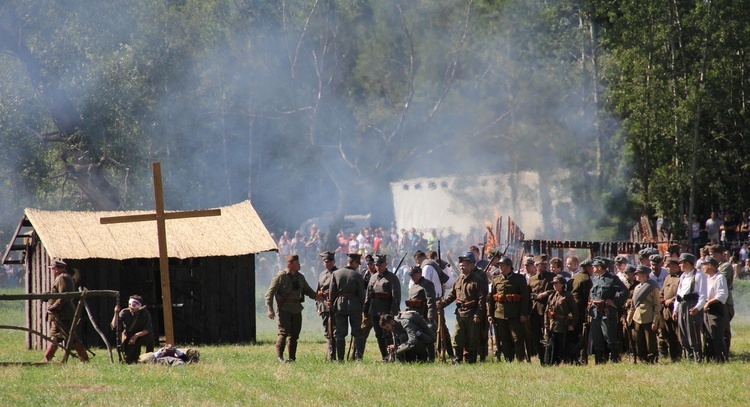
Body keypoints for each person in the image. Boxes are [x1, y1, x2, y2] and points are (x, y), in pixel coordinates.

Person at [266, 254, 324, 362]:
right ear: (290, 264)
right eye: (297, 263)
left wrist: (317, 297)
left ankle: (292, 358)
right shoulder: (281, 276)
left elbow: (307, 290)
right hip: (285, 309)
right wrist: (270, 309)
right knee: (283, 333)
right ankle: (280, 357)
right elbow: (270, 293)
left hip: (297, 309)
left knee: (294, 335)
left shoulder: (300, 277)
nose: (299, 264)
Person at [440, 252, 486, 364]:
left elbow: (482, 299)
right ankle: (458, 359)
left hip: (472, 313)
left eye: (464, 265)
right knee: (457, 336)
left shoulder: (477, 280)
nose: (461, 267)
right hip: (460, 313)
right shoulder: (459, 279)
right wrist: (442, 304)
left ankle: (472, 360)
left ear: (470, 266)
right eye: (460, 265)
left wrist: (479, 314)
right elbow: (452, 295)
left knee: (472, 338)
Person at [43, 259, 89, 363]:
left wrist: (53, 307)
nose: (52, 271)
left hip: (64, 314)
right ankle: (47, 359)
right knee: (54, 337)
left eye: (53, 269)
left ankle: (84, 359)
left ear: (57, 269)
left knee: (71, 337)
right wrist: (47, 296)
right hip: (58, 314)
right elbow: (56, 293)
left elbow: (64, 296)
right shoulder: (60, 277)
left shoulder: (63, 278)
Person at [488, 256, 529, 363]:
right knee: (504, 338)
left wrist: (524, 313)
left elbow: (525, 298)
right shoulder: (496, 279)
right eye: (499, 266)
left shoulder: (519, 279)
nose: (500, 268)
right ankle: (508, 360)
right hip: (499, 314)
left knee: (517, 338)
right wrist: (490, 314)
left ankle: (520, 359)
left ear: (509, 267)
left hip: (515, 314)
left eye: (502, 266)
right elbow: (492, 299)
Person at [588, 257, 627, 364]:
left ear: (599, 267)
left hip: (607, 312)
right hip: (595, 312)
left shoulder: (612, 278)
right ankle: (599, 361)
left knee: (610, 337)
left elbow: (624, 291)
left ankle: (614, 359)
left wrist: (615, 303)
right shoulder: (595, 279)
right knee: (597, 338)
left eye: (594, 266)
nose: (593, 268)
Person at [329, 253, 366, 361]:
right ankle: (359, 358)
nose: (358, 266)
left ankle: (340, 359)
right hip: (355, 305)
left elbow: (332, 293)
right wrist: (361, 306)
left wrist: (333, 305)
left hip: (340, 305)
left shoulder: (336, 273)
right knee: (357, 333)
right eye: (357, 264)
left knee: (340, 334)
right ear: (354, 262)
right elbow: (361, 294)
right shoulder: (357, 276)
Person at [363, 254, 401, 361]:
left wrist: (393, 311)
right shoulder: (373, 277)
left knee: (387, 334)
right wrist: (365, 309)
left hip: (386, 310)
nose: (378, 267)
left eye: (380, 265)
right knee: (378, 335)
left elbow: (396, 296)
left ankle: (391, 356)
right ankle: (384, 356)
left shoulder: (392, 278)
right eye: (376, 265)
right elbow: (368, 294)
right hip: (374, 310)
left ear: (385, 265)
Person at [673, 252, 707, 362]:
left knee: (693, 333)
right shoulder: (683, 276)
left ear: (687, 263)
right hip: (682, 305)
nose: (679, 265)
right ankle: (689, 357)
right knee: (683, 333)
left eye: (681, 263)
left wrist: (697, 308)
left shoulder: (699, 276)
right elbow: (679, 295)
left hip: (692, 305)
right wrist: (676, 309)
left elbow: (703, 295)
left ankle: (698, 357)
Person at [628, 265, 662, 363]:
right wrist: (630, 317)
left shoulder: (653, 287)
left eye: (637, 274)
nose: (636, 276)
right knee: (639, 340)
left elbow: (657, 305)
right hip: (637, 317)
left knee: (650, 341)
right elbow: (633, 305)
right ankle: (642, 359)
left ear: (643, 274)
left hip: (648, 317)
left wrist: (655, 320)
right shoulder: (637, 287)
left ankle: (652, 359)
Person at [545, 275, 578, 365]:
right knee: (552, 344)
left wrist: (572, 324)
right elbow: (547, 312)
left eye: (557, 283)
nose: (555, 285)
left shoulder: (567, 296)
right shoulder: (552, 295)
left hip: (563, 324)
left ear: (562, 284)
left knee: (562, 344)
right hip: (552, 324)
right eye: (553, 284)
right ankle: (552, 362)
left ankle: (564, 361)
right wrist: (546, 325)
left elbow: (575, 312)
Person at [111, 294, 153, 364]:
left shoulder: (145, 313)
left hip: (141, 335)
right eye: (130, 304)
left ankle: (150, 358)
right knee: (130, 361)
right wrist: (116, 313)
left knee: (150, 337)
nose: (131, 307)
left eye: (134, 305)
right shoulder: (124, 312)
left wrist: (136, 335)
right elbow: (114, 325)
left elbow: (148, 329)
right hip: (129, 337)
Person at [708, 244, 734, 354]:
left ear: (718, 254)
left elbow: (720, 277)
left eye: (712, 255)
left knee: (724, 328)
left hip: (725, 301)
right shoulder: (717, 265)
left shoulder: (726, 266)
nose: (710, 257)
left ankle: (725, 352)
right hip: (714, 300)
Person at [528, 254, 554, 361]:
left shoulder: (552, 277)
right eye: (541, 264)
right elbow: (528, 294)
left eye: (545, 264)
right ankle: (541, 358)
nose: (544, 266)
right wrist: (534, 296)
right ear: (536, 265)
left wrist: (546, 293)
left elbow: (556, 290)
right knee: (536, 336)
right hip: (535, 311)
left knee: (548, 335)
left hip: (548, 310)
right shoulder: (532, 279)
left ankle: (550, 358)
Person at [702, 256, 728, 362]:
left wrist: (708, 303)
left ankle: (721, 358)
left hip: (715, 307)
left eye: (704, 265)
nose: (702, 267)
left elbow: (722, 295)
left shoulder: (719, 277)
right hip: (706, 307)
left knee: (716, 333)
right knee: (707, 334)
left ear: (710, 265)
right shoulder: (707, 278)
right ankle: (710, 357)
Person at [567, 258, 593, 364]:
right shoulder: (586, 279)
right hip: (581, 310)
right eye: (592, 267)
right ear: (588, 268)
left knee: (573, 334)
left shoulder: (573, 278)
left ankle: (572, 357)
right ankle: (581, 357)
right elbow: (587, 297)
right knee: (583, 334)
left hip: (570, 309)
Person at [659, 257, 683, 362]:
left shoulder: (682, 277)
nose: (666, 268)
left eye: (668, 266)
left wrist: (672, 300)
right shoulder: (668, 277)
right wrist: (660, 298)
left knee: (678, 334)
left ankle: (681, 355)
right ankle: (674, 357)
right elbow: (662, 291)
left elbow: (681, 293)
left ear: (675, 266)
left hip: (676, 309)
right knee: (668, 334)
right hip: (665, 310)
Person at [316, 251, 338, 360]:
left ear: (333, 262)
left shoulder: (338, 273)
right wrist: (318, 306)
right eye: (325, 262)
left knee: (334, 331)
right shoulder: (322, 275)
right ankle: (330, 352)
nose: (327, 263)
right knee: (327, 331)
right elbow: (319, 291)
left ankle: (334, 354)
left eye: (329, 261)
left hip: (334, 306)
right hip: (324, 305)